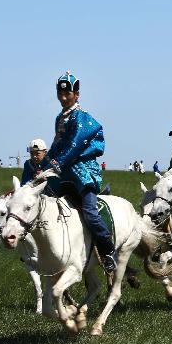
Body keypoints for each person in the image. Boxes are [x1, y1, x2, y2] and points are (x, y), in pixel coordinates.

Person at [47, 71, 117, 271]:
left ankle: (109, 251)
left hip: (82, 173)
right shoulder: (60, 118)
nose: (63, 97)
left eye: (67, 94)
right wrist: (42, 168)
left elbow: (74, 145)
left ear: (76, 94)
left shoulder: (82, 118)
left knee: (90, 213)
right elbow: (56, 145)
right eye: (60, 94)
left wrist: (57, 163)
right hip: (63, 172)